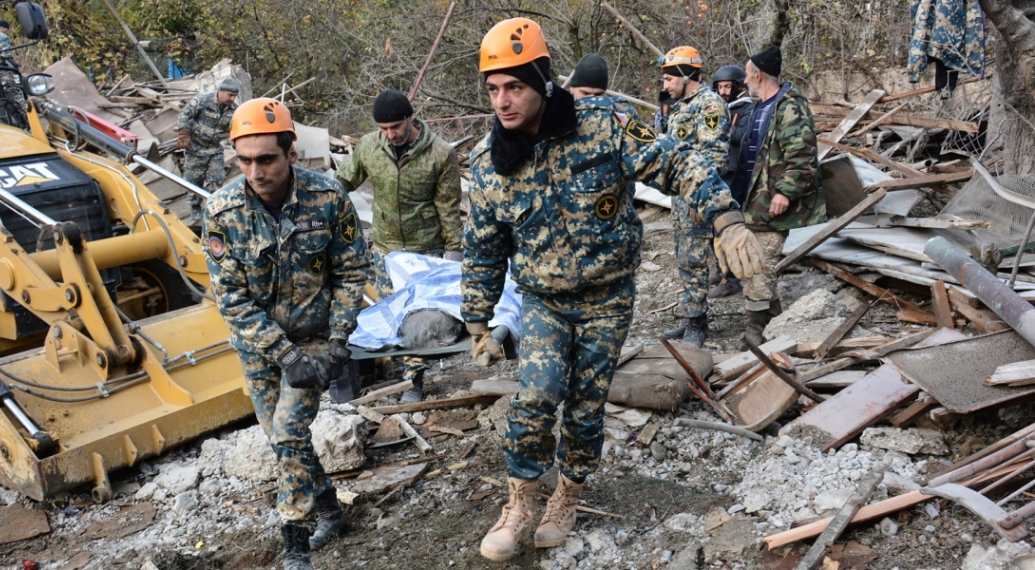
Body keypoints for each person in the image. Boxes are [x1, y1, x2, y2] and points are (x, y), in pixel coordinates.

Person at [462, 18, 765, 562]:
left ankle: (568, 496)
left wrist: (726, 218)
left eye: (514, 86)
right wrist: (477, 317)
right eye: (493, 89)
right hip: (545, 300)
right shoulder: (490, 163)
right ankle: (521, 502)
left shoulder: (603, 126)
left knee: (584, 403)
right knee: (535, 396)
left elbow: (676, 160)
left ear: (541, 80)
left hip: (606, 297)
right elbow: (484, 246)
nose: (502, 101)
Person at [203, 98, 369, 570]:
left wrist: (338, 339)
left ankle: (294, 544)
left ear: (291, 154)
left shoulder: (327, 197)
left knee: (290, 430)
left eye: (267, 159)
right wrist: (282, 353)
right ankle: (331, 507)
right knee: (281, 439)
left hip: (315, 340)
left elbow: (353, 270)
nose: (256, 171)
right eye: (245, 160)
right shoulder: (223, 211)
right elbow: (231, 298)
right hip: (260, 348)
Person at [335, 89, 463, 403]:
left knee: (416, 319)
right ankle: (399, 377)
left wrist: (453, 254)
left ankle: (413, 384)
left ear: (411, 118)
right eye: (384, 129)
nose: (391, 134)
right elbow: (343, 182)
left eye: (396, 127)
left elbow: (449, 207)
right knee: (392, 316)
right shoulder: (368, 147)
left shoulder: (439, 154)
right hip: (385, 251)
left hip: (426, 251)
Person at [730, 46, 827, 347]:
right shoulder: (759, 107)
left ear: (757, 74)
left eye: (746, 76)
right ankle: (774, 322)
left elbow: (803, 157)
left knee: (758, 264)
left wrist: (784, 193)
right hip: (751, 200)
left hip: (772, 203)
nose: (744, 81)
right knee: (755, 263)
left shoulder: (790, 107)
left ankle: (754, 332)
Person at [659, 46, 731, 346]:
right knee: (685, 258)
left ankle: (698, 326)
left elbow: (714, 156)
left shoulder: (709, 105)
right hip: (680, 197)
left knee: (696, 259)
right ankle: (691, 316)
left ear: (686, 76)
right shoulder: (682, 106)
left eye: (668, 80)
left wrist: (699, 197)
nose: (664, 86)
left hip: (697, 196)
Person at [707, 64, 757, 299]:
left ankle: (732, 278)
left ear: (738, 87)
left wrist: (722, 124)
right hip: (716, 172)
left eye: (728, 86)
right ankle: (721, 268)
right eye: (720, 87)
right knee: (713, 227)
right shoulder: (716, 106)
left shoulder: (747, 108)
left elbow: (744, 137)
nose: (724, 91)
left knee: (728, 226)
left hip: (734, 174)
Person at [178, 78, 240, 223]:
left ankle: (212, 207)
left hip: (215, 149)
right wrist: (184, 134)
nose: (232, 99)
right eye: (230, 95)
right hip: (195, 148)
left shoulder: (234, 110)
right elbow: (184, 114)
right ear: (221, 91)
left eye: (234, 96)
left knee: (217, 178)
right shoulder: (203, 100)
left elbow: (236, 130)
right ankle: (195, 207)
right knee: (194, 180)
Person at [566, 53, 637, 119]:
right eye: (585, 93)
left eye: (598, 94)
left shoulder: (621, 111)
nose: (592, 100)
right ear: (572, 89)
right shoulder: (559, 112)